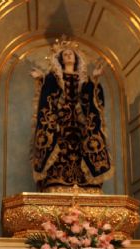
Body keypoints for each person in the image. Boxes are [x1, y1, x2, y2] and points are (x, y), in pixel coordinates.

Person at [30, 38, 112, 192]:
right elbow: (47, 98)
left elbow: (95, 102)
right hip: (60, 127)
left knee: (84, 149)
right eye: (65, 54)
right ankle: (56, 181)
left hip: (81, 128)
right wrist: (41, 79)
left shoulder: (85, 80)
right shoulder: (53, 79)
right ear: (60, 60)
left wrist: (95, 79)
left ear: (77, 58)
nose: (68, 56)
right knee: (58, 151)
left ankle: (86, 183)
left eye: (71, 54)